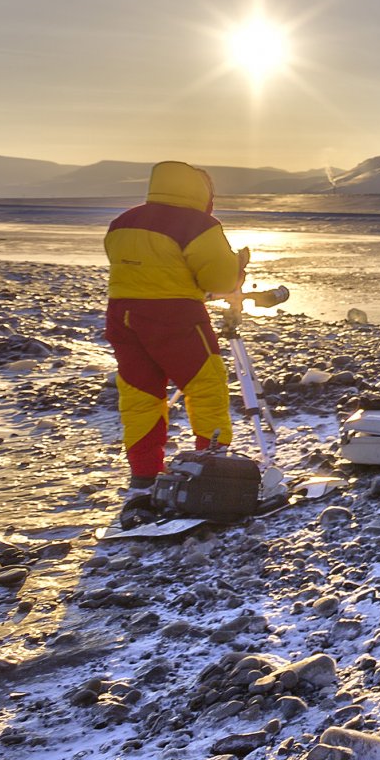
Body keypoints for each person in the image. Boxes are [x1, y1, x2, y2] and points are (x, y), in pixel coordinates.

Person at [104, 161, 244, 511]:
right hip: (176, 316)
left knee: (140, 393)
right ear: (202, 191)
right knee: (206, 386)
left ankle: (144, 474)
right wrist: (238, 266)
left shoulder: (123, 221)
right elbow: (219, 281)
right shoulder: (197, 224)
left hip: (122, 316)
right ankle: (211, 466)